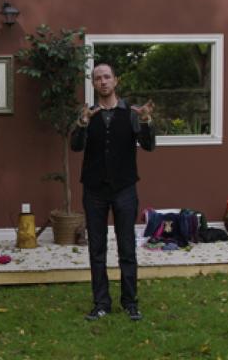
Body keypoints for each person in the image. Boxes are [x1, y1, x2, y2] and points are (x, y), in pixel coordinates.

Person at [71, 63, 156, 322]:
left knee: (126, 248)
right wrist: (82, 124)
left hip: (124, 190)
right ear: (94, 84)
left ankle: (130, 303)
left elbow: (149, 146)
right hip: (94, 191)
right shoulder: (89, 114)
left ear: (115, 81)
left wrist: (146, 121)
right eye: (98, 78)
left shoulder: (131, 113)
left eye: (107, 77)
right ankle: (101, 303)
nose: (103, 82)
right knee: (97, 250)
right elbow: (75, 147)